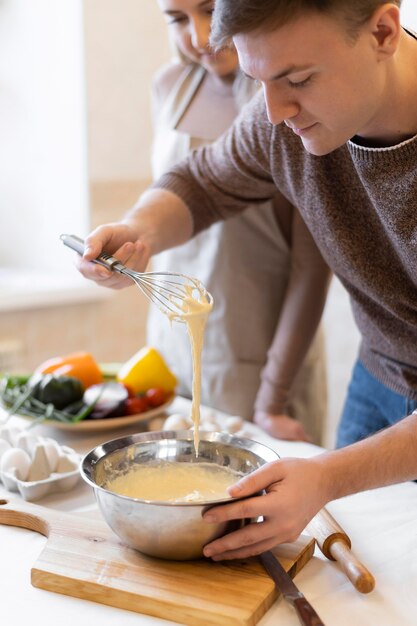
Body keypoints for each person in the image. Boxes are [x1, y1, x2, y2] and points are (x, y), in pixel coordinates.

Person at [76, 0, 417, 559]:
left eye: (298, 79)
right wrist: (137, 230)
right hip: (377, 377)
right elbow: (203, 182)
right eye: (259, 80)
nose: (276, 112)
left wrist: (326, 475)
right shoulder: (280, 114)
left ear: (382, 30)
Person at [131, 0, 330, 443]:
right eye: (177, 20)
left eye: (210, 10)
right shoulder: (168, 88)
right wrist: (130, 236)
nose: (201, 36)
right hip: (169, 351)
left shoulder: (286, 99)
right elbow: (178, 196)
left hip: (261, 365)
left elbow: (312, 265)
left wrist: (272, 397)